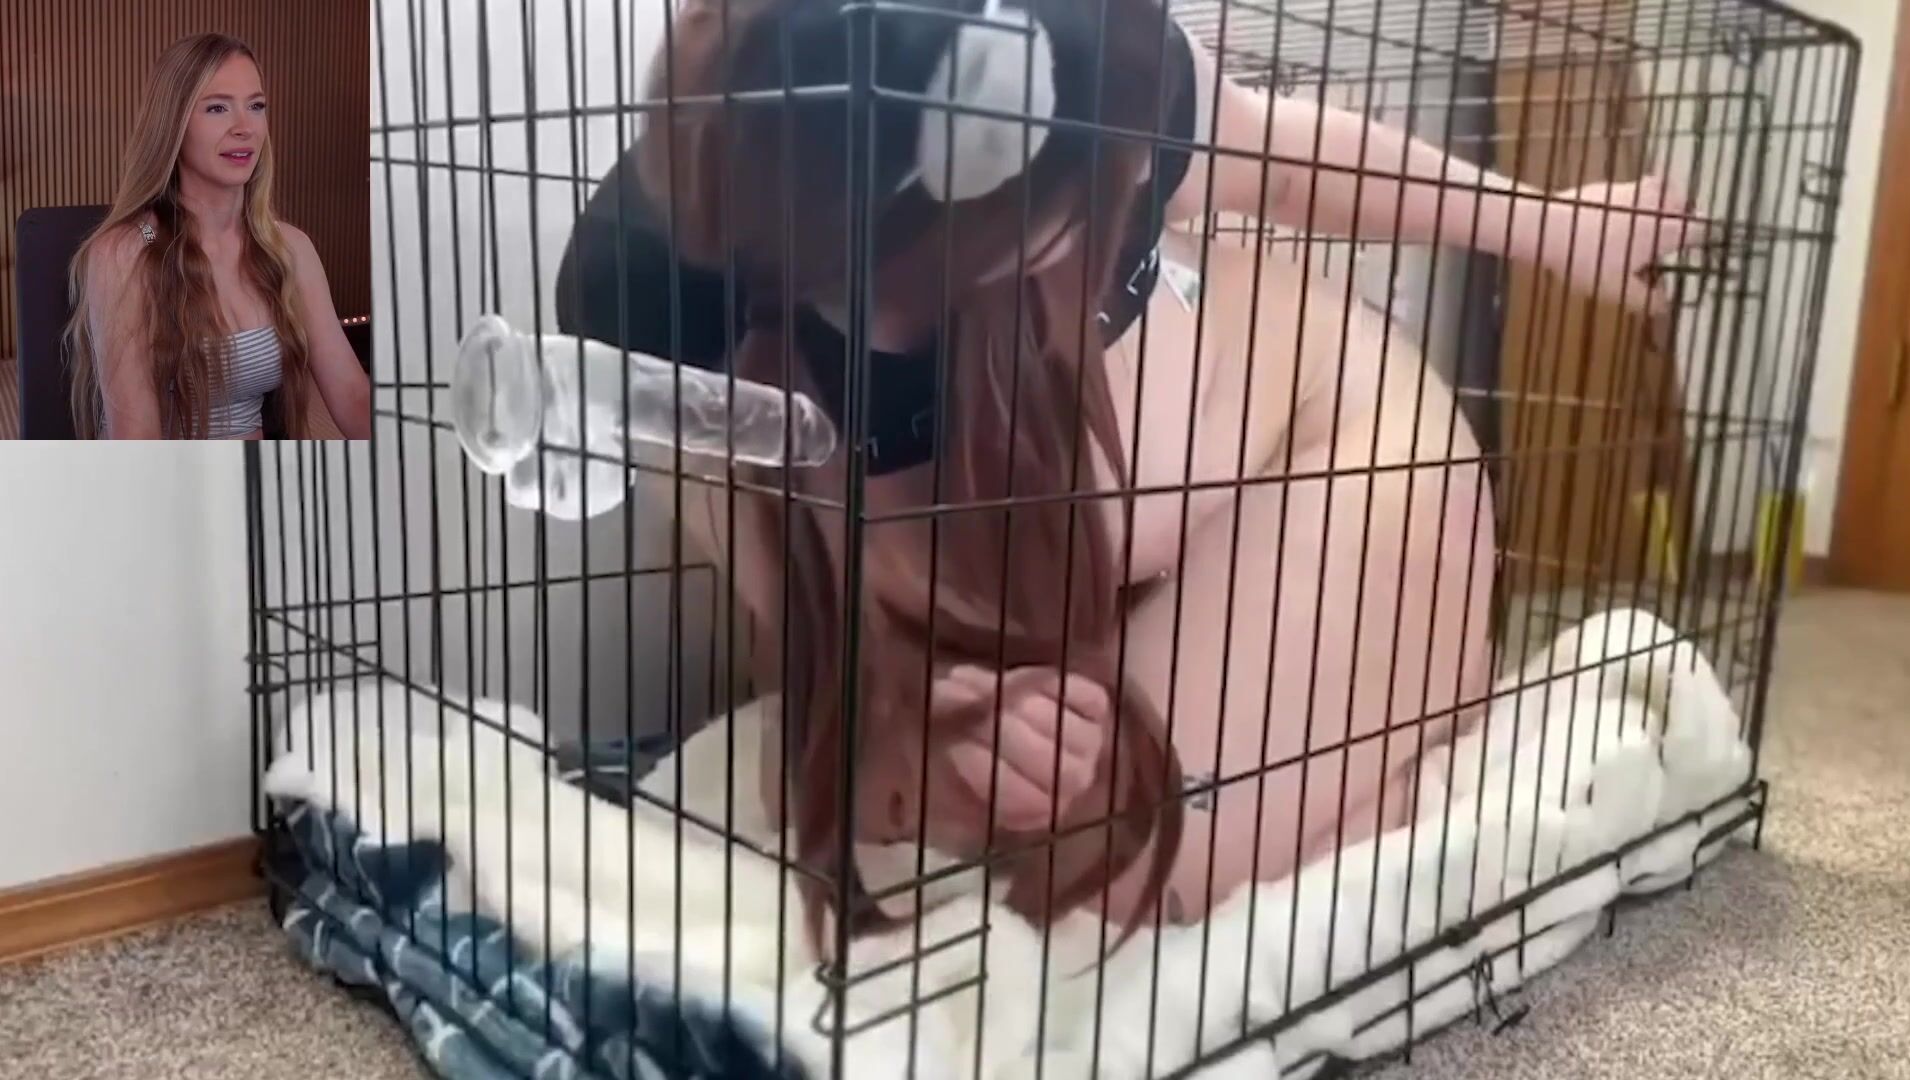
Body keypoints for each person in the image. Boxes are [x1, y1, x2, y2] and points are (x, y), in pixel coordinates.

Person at [555, 0, 1704, 940]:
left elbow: (1282, 162)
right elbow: (796, 614)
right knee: (886, 821)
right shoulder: (669, 296)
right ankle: (1365, 769)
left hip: (1326, 447)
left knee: (1108, 880)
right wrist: (898, 703)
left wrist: (1551, 226)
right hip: (1051, 581)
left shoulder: (1107, 64)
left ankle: (1386, 748)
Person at [63, 33, 371, 440]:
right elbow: (136, 439)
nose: (245, 128)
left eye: (256, 106)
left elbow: (353, 395)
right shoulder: (125, 254)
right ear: (174, 124)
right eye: (217, 108)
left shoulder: (290, 248)